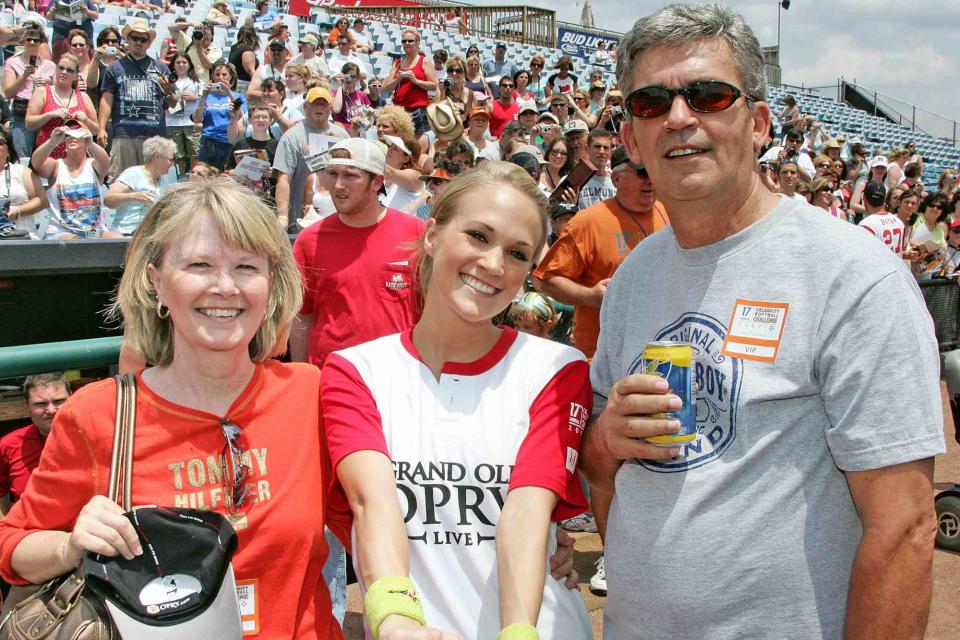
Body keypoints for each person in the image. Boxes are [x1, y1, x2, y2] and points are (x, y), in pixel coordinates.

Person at [582, 5, 944, 640]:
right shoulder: (634, 278)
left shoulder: (852, 275)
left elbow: (905, 525)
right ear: (632, 141)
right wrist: (607, 438)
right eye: (650, 102)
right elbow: (600, 467)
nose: (678, 117)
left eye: (708, 94)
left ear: (758, 123)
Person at [0, 179, 352, 640]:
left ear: (271, 285)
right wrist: (71, 545)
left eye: (247, 267)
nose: (225, 287)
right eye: (200, 265)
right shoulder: (97, 415)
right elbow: (13, 548)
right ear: (156, 282)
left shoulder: (312, 395)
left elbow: (376, 523)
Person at [321, 161, 592, 640]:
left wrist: (517, 633)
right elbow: (370, 502)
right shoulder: (355, 371)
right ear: (431, 236)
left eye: (517, 253)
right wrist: (394, 618)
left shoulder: (557, 368)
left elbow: (527, 510)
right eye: (478, 236)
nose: (493, 264)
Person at [98, 19, 175, 181]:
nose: (138, 42)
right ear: (128, 39)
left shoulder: (160, 68)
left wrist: (167, 89)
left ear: (149, 42)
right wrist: (102, 128)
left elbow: (174, 102)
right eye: (134, 38)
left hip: (155, 136)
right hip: (124, 134)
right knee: (121, 181)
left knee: (154, 182)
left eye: (143, 39)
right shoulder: (115, 67)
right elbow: (106, 99)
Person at [273, 86, 348, 230]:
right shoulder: (291, 137)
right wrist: (282, 216)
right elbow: (283, 178)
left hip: (339, 217)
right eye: (315, 103)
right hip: (302, 219)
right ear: (306, 107)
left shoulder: (342, 136)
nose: (319, 107)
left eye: (323, 104)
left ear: (330, 108)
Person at [0, 374, 71, 514]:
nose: (51, 410)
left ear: (72, 398)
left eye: (58, 401)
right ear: (27, 406)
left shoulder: (93, 437)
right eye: (41, 404)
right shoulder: (9, 445)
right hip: (32, 531)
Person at [33, 124, 109, 239]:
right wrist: (51, 142)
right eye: (68, 135)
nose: (72, 137)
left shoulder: (93, 165)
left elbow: (105, 164)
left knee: (120, 240)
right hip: (60, 233)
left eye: (78, 133)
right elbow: (36, 164)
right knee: (77, 241)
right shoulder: (55, 166)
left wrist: (91, 143)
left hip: (94, 232)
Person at [26, 53, 99, 158]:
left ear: (76, 75)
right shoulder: (42, 92)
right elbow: (29, 124)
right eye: (61, 68)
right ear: (56, 70)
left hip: (76, 159)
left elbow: (96, 130)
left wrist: (85, 120)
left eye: (69, 70)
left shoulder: (83, 97)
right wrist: (50, 115)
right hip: (47, 157)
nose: (64, 72)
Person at [103, 136, 176, 235]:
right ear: (157, 157)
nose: (172, 164)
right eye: (170, 160)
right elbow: (108, 200)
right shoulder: (133, 173)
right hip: (125, 232)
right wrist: (133, 196)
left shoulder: (164, 181)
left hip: (149, 235)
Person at [3, 26, 56, 159]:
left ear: (41, 42)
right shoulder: (12, 62)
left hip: (44, 113)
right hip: (22, 112)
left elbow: (56, 91)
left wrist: (44, 87)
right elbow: (8, 93)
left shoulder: (50, 65)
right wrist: (24, 76)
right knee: (23, 157)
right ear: (23, 41)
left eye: (36, 40)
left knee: (45, 156)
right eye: (29, 39)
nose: (32, 42)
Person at [193, 61, 246, 170]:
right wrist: (203, 97)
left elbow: (242, 117)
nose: (220, 78)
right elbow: (197, 119)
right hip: (209, 141)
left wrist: (229, 92)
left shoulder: (238, 96)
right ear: (212, 76)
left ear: (230, 77)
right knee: (206, 175)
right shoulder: (206, 97)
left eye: (224, 75)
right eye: (217, 75)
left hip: (230, 141)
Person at [383, 28, 434, 136]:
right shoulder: (397, 63)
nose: (407, 43)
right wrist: (398, 79)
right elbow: (388, 88)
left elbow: (434, 85)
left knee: (416, 144)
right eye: (404, 41)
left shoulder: (424, 61)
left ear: (417, 42)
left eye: (410, 41)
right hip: (399, 111)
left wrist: (415, 81)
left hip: (418, 110)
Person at [166, 53, 202, 174]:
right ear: (173, 65)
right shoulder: (168, 81)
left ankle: (195, 179)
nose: (181, 65)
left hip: (191, 121)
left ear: (190, 64)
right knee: (177, 155)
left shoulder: (196, 81)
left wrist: (194, 97)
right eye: (178, 62)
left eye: (184, 62)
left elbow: (205, 98)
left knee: (194, 153)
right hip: (173, 121)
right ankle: (180, 178)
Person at [382, 133, 423, 213]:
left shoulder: (415, 177)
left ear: (406, 159)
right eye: (391, 146)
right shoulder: (381, 177)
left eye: (395, 149)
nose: (389, 150)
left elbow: (390, 173)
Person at [578, 129, 616, 209]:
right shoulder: (575, 181)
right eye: (597, 146)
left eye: (606, 148)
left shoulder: (617, 182)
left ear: (610, 151)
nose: (602, 151)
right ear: (587, 148)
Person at [85, 27, 121, 110]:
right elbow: (90, 85)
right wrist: (96, 58)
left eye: (114, 41)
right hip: (99, 108)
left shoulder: (123, 63)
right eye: (106, 41)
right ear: (99, 43)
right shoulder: (96, 63)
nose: (110, 43)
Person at [331, 62, 371, 135]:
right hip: (343, 132)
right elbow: (336, 110)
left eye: (353, 76)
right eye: (347, 75)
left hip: (360, 132)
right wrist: (340, 84)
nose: (350, 79)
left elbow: (370, 117)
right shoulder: (335, 93)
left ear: (357, 78)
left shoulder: (363, 95)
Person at [228, 25, 261, 93]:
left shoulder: (234, 48)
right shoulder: (247, 50)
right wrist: (258, 89)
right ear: (253, 37)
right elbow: (250, 71)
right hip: (245, 87)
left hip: (236, 85)